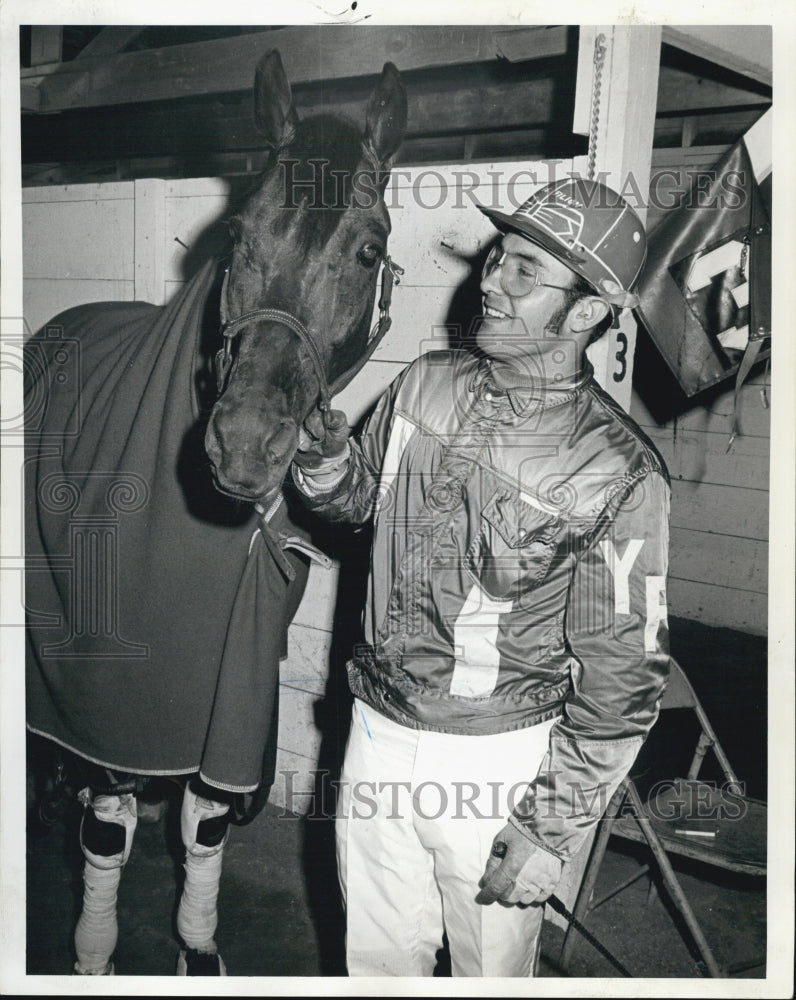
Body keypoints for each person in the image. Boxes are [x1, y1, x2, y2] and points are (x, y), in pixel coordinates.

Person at [291, 177, 671, 977]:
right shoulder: (423, 382)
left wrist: (549, 826)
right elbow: (364, 505)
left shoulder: (620, 472)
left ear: (589, 310)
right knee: (374, 962)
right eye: (499, 258)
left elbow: (624, 679)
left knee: (490, 973)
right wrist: (326, 466)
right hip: (375, 735)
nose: (490, 282)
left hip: (499, 764)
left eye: (524, 272)